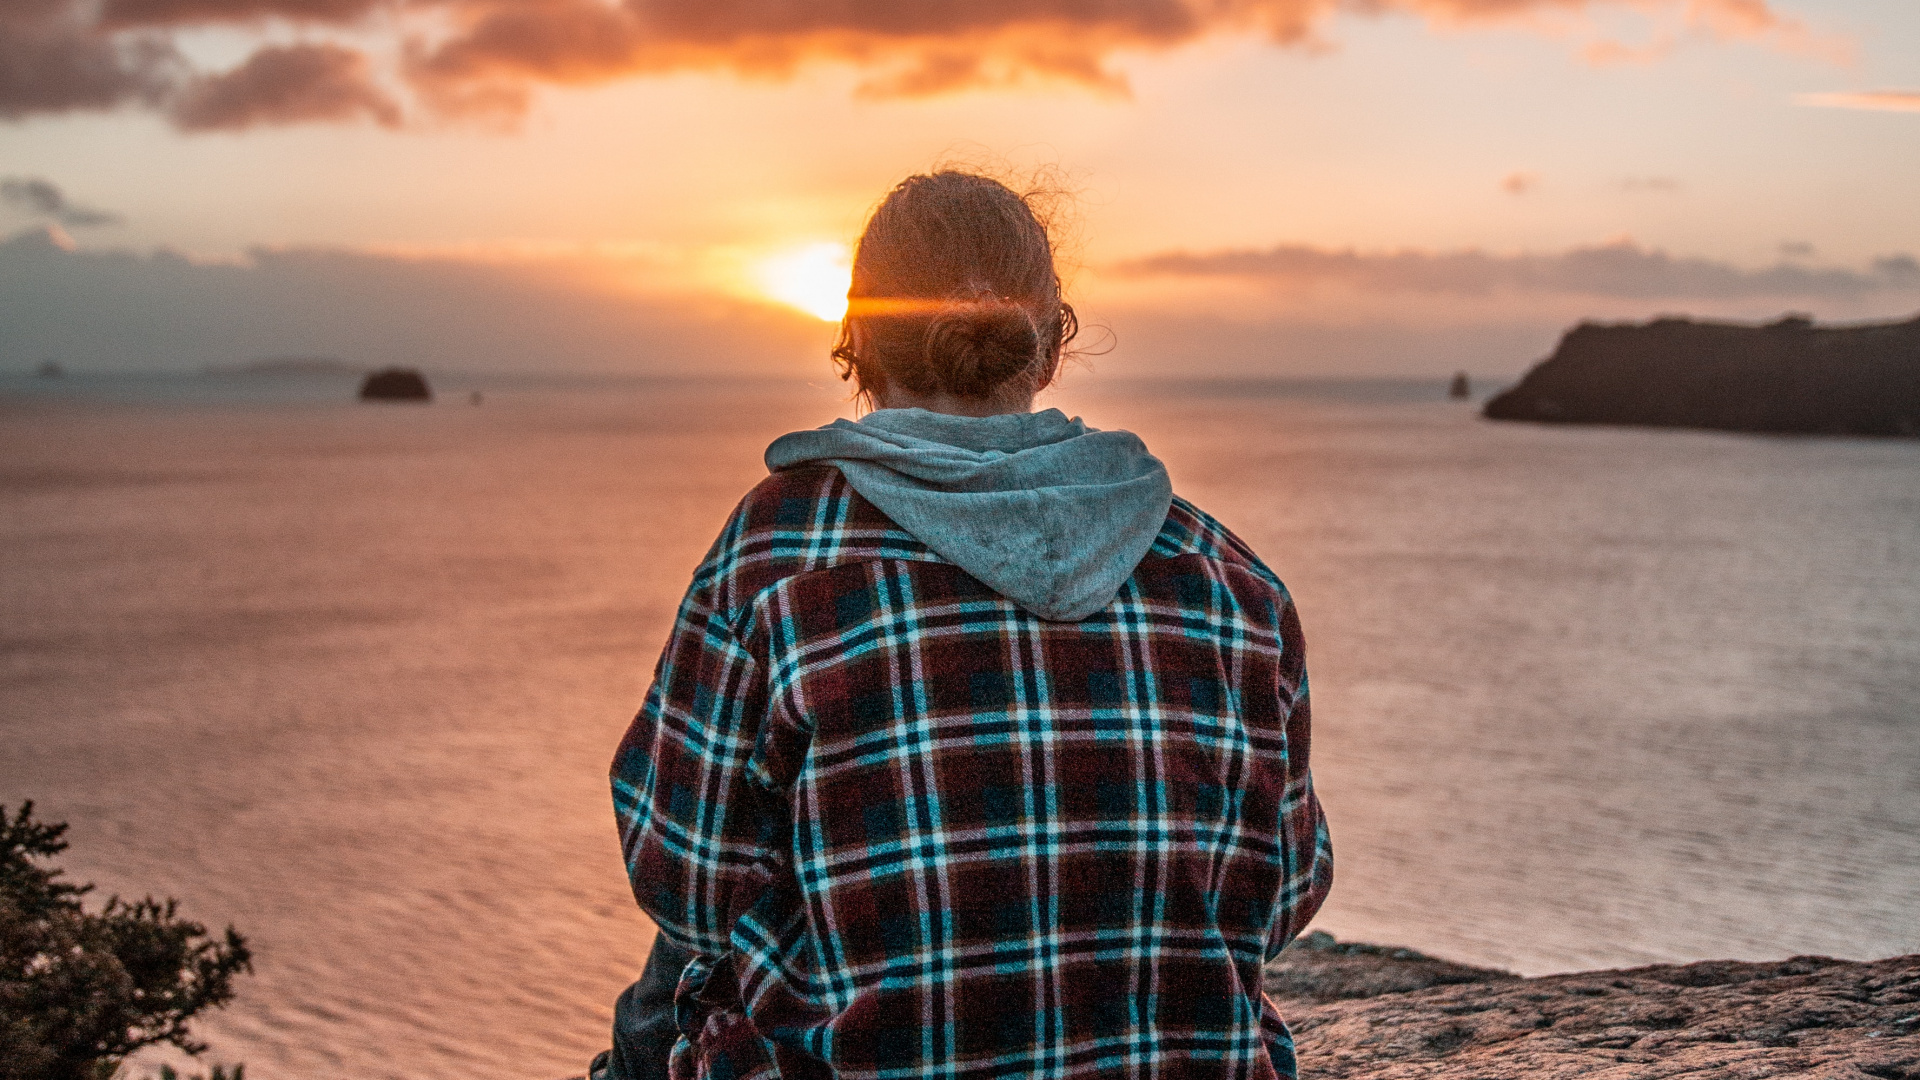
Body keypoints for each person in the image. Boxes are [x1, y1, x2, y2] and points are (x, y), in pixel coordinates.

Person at [600, 170, 1332, 1080]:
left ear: (858, 341)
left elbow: (685, 875)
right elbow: (1288, 892)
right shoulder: (1229, 578)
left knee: (669, 984)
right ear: (1051, 342)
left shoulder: (781, 551)